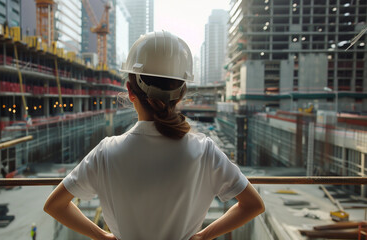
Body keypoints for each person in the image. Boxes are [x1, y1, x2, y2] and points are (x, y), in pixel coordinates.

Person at [44, 31, 264, 240]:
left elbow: (55, 205)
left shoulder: (106, 152)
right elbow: (253, 205)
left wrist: (100, 235)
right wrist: (205, 235)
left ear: (130, 92)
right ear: (180, 94)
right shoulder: (204, 150)